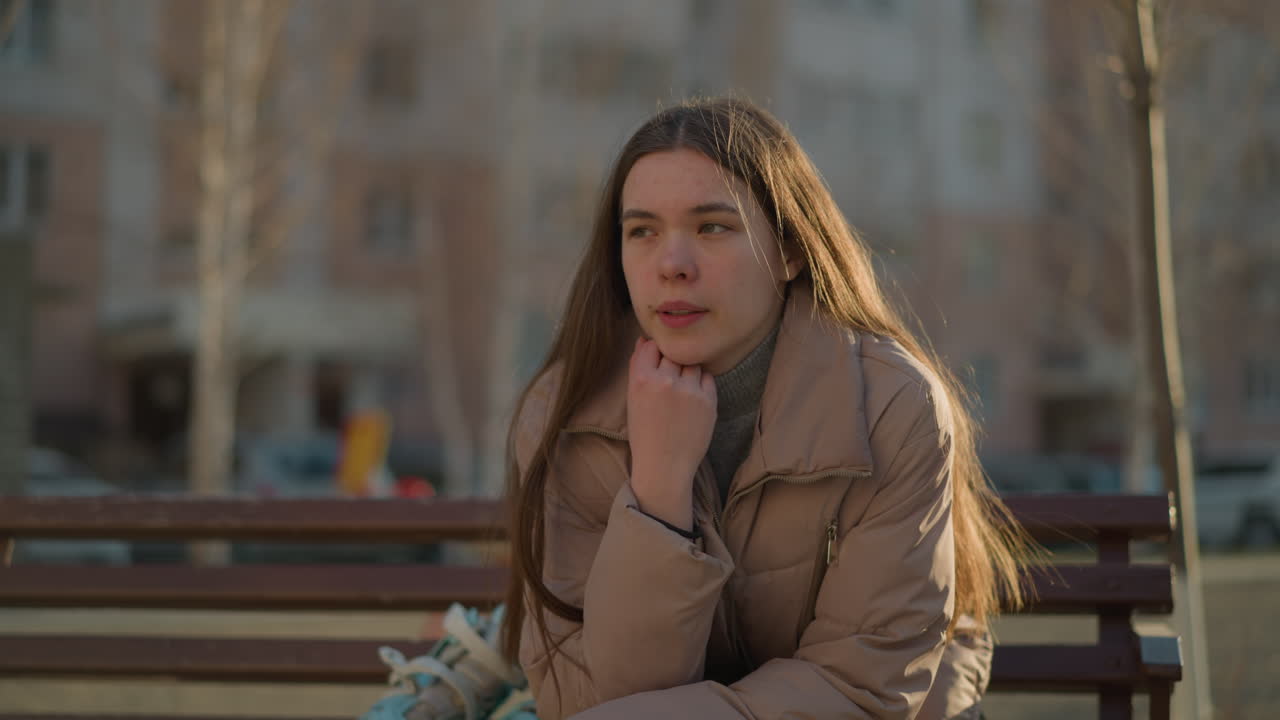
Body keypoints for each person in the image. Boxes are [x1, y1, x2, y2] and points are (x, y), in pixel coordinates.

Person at [499, 97, 1034, 719]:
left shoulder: (892, 407)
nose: (671, 265)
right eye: (642, 231)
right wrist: (658, 492)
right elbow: (584, 696)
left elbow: (860, 689)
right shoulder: (562, 414)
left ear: (790, 250)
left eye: (712, 228)